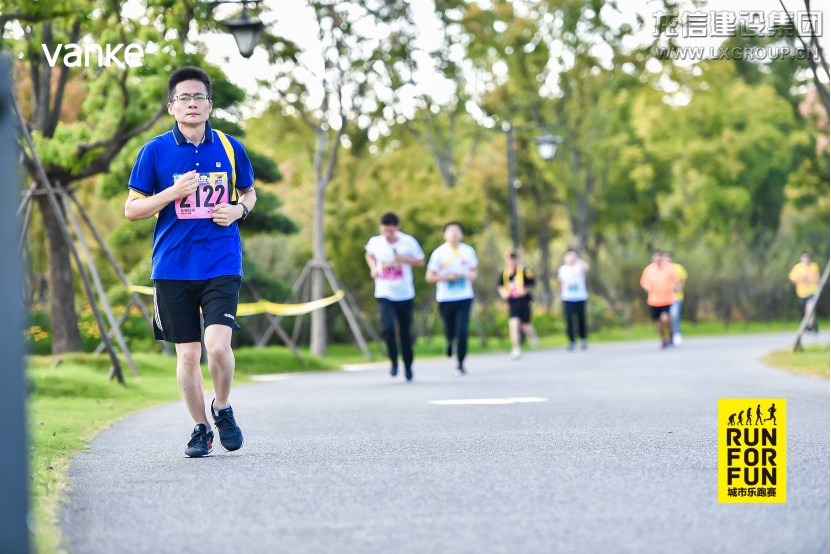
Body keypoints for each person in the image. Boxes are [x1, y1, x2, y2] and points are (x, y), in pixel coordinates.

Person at [125, 66, 256, 457]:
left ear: (210, 104)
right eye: (184, 97)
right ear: (172, 107)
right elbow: (132, 210)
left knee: (217, 347)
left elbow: (248, 193)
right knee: (188, 354)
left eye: (199, 97)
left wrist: (239, 212)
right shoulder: (154, 151)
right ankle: (201, 428)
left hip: (221, 261)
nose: (192, 104)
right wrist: (172, 192)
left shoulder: (231, 148)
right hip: (172, 267)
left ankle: (223, 407)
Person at [364, 213, 425, 381]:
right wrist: (373, 268)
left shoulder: (408, 242)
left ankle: (408, 365)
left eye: (391, 231)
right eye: (385, 231)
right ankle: (393, 361)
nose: (388, 235)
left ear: (397, 228)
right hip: (385, 292)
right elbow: (369, 254)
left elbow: (421, 262)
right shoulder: (375, 242)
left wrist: (404, 259)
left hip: (405, 293)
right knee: (388, 328)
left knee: (405, 332)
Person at [426, 222, 479, 375]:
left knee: (462, 329)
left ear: (462, 234)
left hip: (464, 296)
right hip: (445, 298)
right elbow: (429, 277)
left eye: (457, 231)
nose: (454, 234)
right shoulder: (439, 253)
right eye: (451, 231)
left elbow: (474, 271)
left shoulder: (468, 251)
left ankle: (460, 363)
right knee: (449, 328)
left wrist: (472, 276)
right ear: (445, 235)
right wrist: (446, 277)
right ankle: (449, 342)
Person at [497, 252, 539, 360]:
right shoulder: (504, 274)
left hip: (524, 302)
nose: (512, 262)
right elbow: (501, 288)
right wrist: (505, 293)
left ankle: (532, 335)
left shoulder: (525, 272)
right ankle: (516, 349)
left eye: (514, 260)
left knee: (525, 326)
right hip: (512, 303)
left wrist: (524, 290)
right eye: (510, 260)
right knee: (513, 324)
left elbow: (532, 284)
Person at [640, 251, 679, 349]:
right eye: (655, 258)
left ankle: (670, 333)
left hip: (667, 299)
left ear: (661, 258)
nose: (657, 259)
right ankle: (663, 339)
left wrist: (675, 288)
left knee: (665, 318)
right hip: (654, 300)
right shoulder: (648, 270)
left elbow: (676, 279)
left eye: (659, 257)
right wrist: (647, 288)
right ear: (652, 259)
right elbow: (644, 283)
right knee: (658, 322)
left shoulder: (668, 268)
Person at [557, 249, 590, 351]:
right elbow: (561, 283)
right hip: (568, 298)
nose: (571, 259)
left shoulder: (579, 266)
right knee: (569, 320)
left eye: (573, 256)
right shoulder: (562, 269)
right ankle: (571, 341)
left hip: (580, 297)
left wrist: (577, 260)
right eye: (569, 256)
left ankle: (583, 339)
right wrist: (560, 296)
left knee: (581, 319)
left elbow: (587, 267)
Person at [789, 253, 821, 333]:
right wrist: (801, 278)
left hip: (812, 291)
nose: (806, 260)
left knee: (810, 307)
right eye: (805, 258)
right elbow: (792, 280)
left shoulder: (814, 266)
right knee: (806, 309)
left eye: (807, 258)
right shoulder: (797, 268)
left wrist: (819, 283)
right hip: (802, 292)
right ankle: (813, 323)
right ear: (802, 259)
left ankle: (809, 326)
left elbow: (818, 277)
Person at [663, 252, 687, 345]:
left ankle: (677, 334)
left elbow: (684, 279)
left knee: (674, 314)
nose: (667, 261)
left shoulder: (678, 268)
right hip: (663, 298)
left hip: (676, 297)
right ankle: (670, 336)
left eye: (669, 259)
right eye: (665, 259)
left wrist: (680, 288)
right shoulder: (661, 270)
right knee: (666, 318)